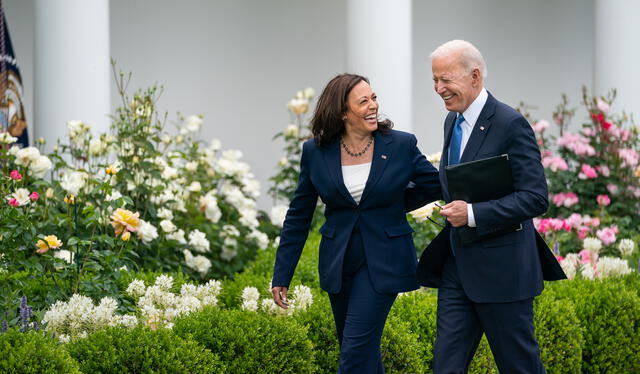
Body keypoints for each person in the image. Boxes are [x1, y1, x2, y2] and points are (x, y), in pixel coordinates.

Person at [271, 73, 441, 373]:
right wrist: (282, 274)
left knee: (354, 351)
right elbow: (299, 214)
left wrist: (393, 206)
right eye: (363, 101)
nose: (373, 105)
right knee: (361, 351)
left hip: (384, 260)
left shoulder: (400, 144)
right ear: (342, 111)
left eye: (374, 98)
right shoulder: (315, 151)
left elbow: (434, 185)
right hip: (339, 261)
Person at [421, 40, 566, 373]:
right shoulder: (452, 122)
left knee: (519, 367)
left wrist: (471, 214)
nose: (438, 88)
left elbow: (535, 197)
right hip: (457, 270)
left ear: (474, 76)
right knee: (445, 367)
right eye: (434, 80)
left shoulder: (510, 124)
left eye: (445, 80)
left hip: (504, 272)